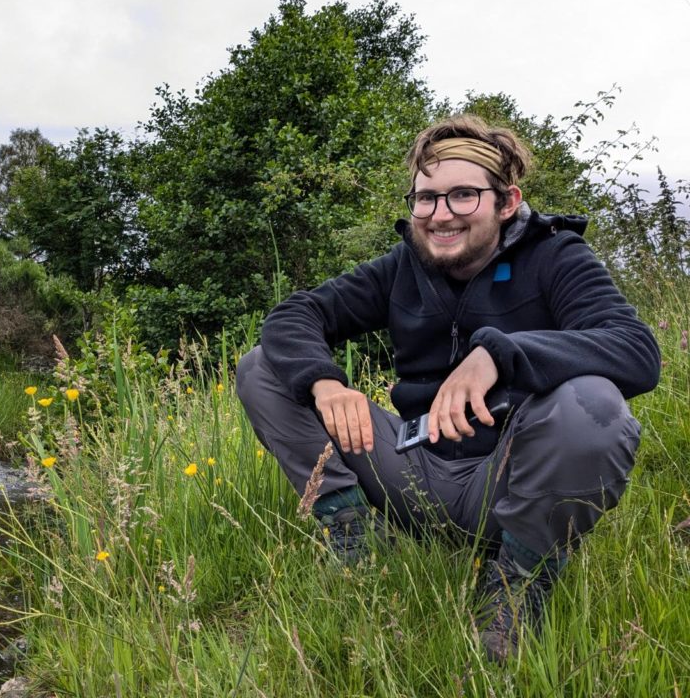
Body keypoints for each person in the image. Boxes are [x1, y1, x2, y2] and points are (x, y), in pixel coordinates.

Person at [235, 114, 660, 663]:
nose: (441, 215)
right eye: (427, 198)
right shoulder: (401, 267)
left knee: (594, 404)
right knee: (262, 366)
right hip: (411, 467)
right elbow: (297, 314)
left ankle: (516, 586)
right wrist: (324, 383)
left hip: (508, 478)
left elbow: (634, 349)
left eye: (463, 196)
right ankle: (356, 540)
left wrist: (498, 354)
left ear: (506, 202)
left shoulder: (556, 257)